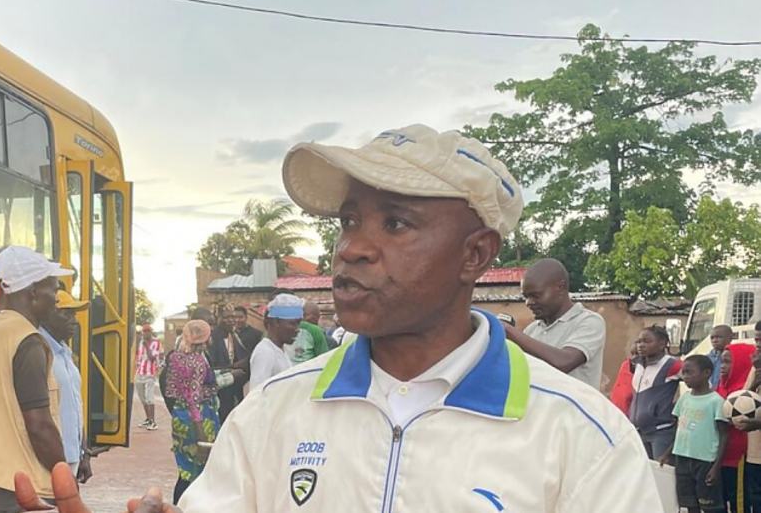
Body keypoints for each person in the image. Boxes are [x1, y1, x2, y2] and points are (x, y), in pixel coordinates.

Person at [176, 124, 661, 510]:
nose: (351, 248)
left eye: (396, 223)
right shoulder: (272, 411)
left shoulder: (581, 434)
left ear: (474, 255)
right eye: (348, 221)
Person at [0, 246, 71, 512]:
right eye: (53, 289)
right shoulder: (27, 340)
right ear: (33, 291)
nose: (56, 299)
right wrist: (65, 480)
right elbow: (39, 425)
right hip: (20, 487)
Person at [504, 258, 607, 389]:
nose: (528, 303)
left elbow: (564, 362)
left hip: (573, 409)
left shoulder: (589, 322)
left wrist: (508, 330)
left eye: (536, 295)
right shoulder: (532, 331)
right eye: (526, 297)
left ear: (560, 287)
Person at [162, 320, 219, 505]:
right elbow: (194, 397)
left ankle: (177, 506)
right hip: (199, 418)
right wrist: (201, 433)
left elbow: (172, 389)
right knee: (200, 469)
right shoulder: (199, 362)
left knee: (185, 469)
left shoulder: (176, 357)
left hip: (180, 417)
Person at [663, 355, 729, 513]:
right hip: (682, 458)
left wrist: (715, 466)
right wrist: (667, 453)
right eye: (683, 373)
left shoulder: (716, 401)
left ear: (706, 373)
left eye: (689, 372)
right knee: (689, 503)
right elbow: (679, 428)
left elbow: (724, 435)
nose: (685, 377)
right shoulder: (684, 398)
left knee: (710, 505)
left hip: (704, 461)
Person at [41, 290, 92, 482]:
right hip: (51, 460)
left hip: (71, 457)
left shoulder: (65, 353)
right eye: (66, 313)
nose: (74, 320)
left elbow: (75, 404)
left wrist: (83, 452)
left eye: (74, 314)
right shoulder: (38, 349)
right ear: (47, 315)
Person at [629, 325, 683, 460]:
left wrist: (680, 406)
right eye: (639, 341)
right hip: (639, 431)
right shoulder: (638, 364)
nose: (641, 345)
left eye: (647, 341)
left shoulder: (672, 365)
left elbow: (699, 381)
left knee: (661, 474)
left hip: (661, 431)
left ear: (662, 344)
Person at [717, 342, 756, 512]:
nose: (723, 367)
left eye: (728, 362)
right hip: (719, 454)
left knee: (739, 500)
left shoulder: (746, 393)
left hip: (738, 456)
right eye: (721, 362)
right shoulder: (721, 387)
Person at [207, 307, 258, 421]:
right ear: (219, 319)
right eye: (227, 317)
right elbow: (210, 366)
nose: (231, 320)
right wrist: (231, 370)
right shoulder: (213, 338)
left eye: (233, 317)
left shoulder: (233, 335)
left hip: (234, 388)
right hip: (220, 390)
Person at [249, 296, 299, 388]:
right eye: (292, 323)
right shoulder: (265, 352)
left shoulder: (282, 350)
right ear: (276, 322)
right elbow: (257, 393)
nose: (297, 329)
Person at [135, 324, 164, 431]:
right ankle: (148, 419)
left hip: (150, 374)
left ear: (151, 332)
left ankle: (153, 421)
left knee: (149, 398)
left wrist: (147, 345)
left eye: (147, 331)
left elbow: (152, 358)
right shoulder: (140, 343)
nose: (145, 333)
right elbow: (139, 356)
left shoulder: (156, 343)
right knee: (142, 398)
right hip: (140, 372)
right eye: (144, 331)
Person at [609, 344, 638, 417]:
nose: (634, 357)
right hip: (616, 412)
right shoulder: (625, 365)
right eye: (632, 354)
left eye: (638, 354)